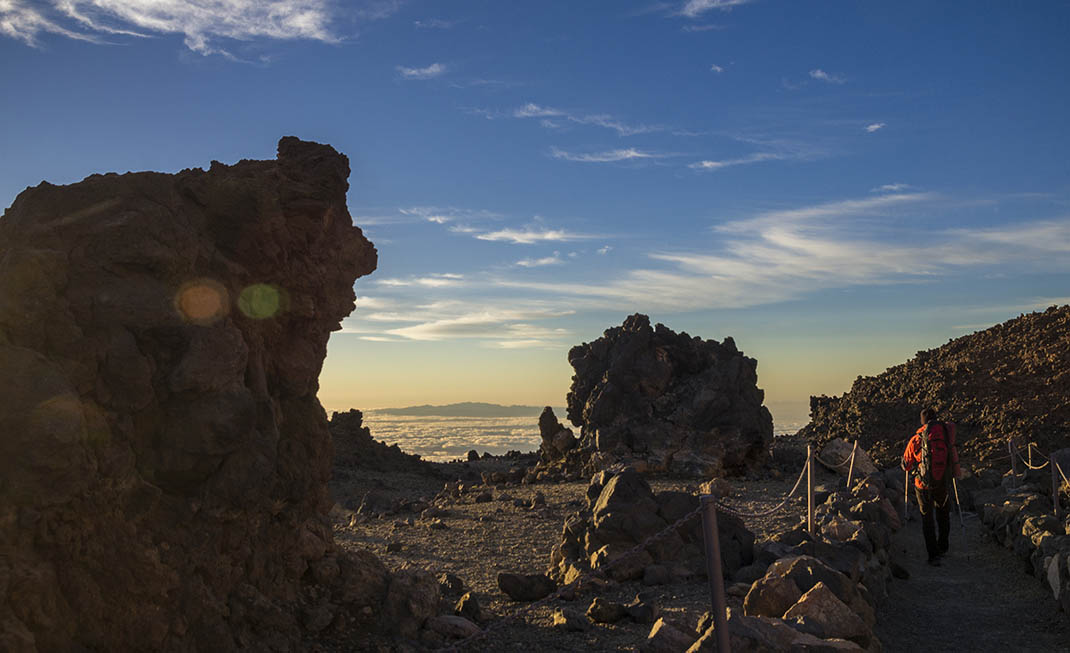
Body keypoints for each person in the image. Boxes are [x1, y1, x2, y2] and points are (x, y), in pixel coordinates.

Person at [902, 407, 961, 565]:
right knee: (943, 513)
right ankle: (943, 546)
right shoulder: (945, 435)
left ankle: (933, 555)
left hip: (923, 485)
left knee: (927, 518)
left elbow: (907, 465)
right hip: (942, 481)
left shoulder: (917, 438)